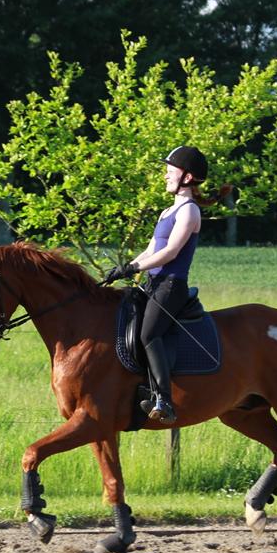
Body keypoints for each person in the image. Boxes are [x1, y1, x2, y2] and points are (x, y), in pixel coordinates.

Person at [103, 145, 213, 425]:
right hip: (153, 283)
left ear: (187, 177)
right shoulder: (167, 212)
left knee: (148, 334)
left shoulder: (189, 212)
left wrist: (134, 267)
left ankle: (163, 398)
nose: (165, 175)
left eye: (170, 170)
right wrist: (124, 267)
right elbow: (151, 250)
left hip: (171, 286)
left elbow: (171, 252)